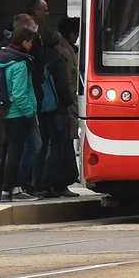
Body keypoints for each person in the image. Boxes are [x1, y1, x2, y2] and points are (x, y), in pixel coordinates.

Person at [32, 28, 76, 198]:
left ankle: (36, 183)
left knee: (41, 147)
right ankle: (48, 183)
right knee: (58, 148)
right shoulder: (58, 59)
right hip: (57, 110)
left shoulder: (37, 58)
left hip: (41, 108)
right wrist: (68, 104)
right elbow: (63, 87)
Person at [0, 27, 39, 201]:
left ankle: (10, 189)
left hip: (8, 113)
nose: (31, 45)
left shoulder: (3, 60)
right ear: (24, 42)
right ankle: (10, 190)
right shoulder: (20, 64)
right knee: (16, 153)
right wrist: (29, 112)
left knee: (12, 152)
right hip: (19, 115)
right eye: (30, 42)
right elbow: (20, 94)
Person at [57, 16, 82, 188]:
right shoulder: (64, 52)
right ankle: (64, 178)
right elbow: (68, 80)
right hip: (65, 103)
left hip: (68, 102)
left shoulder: (68, 50)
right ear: (71, 33)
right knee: (63, 142)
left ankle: (67, 177)